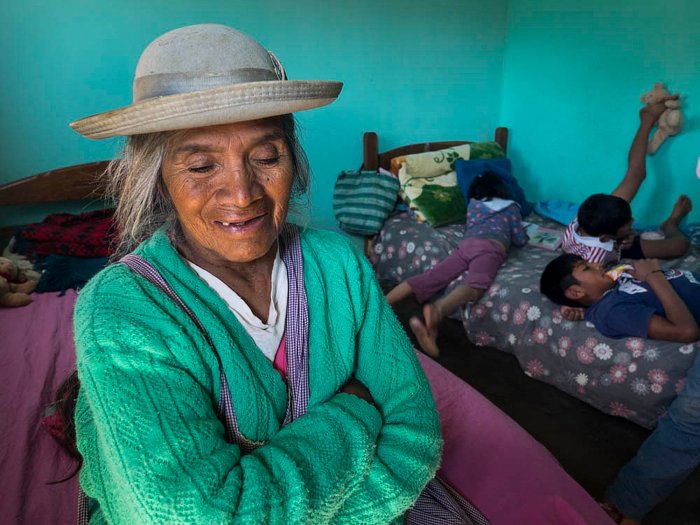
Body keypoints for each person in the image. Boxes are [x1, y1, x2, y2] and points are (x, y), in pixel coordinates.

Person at [67, 24, 450, 524]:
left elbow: (415, 430)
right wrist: (354, 409)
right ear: (158, 179)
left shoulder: (339, 264)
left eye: (266, 157)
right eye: (201, 166)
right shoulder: (120, 309)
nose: (243, 193)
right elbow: (191, 515)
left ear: (294, 159)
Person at [540, 253, 700, 524]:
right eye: (587, 268)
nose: (599, 265)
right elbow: (687, 331)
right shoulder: (610, 309)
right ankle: (625, 505)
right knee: (690, 416)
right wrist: (653, 276)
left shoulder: (613, 284)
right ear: (576, 290)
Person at [559, 100, 691, 321]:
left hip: (611, 244)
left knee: (636, 177)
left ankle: (645, 117)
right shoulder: (597, 257)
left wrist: (647, 122)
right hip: (611, 256)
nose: (633, 221)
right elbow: (603, 281)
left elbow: (635, 172)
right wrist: (626, 267)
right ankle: (670, 225)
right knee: (679, 246)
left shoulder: (592, 214)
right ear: (606, 236)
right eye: (628, 224)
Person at [386, 171, 528, 357]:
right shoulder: (511, 208)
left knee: (430, 277)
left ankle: (381, 304)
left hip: (466, 246)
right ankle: (438, 308)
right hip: (490, 247)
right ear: (502, 190)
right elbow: (518, 238)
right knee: (475, 286)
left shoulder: (474, 206)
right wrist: (524, 237)